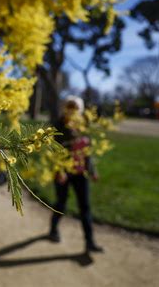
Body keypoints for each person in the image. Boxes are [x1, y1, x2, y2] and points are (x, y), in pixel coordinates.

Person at [49, 96, 104, 253]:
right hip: (64, 172)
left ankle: (90, 242)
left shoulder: (84, 127)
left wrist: (92, 170)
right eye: (70, 108)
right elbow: (54, 151)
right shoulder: (59, 127)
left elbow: (88, 151)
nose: (73, 112)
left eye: (76, 109)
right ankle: (53, 229)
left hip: (80, 173)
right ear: (65, 109)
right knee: (61, 203)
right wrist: (59, 171)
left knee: (85, 207)